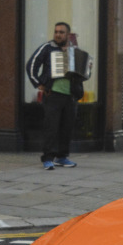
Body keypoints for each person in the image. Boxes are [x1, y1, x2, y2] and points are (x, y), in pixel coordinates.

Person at [26, 21, 85, 170]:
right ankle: (48, 158)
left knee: (67, 127)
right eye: (56, 32)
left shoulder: (74, 50)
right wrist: (37, 83)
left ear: (67, 35)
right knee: (51, 128)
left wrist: (86, 70)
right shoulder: (47, 48)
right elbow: (31, 65)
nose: (58, 35)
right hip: (53, 94)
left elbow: (82, 73)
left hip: (70, 95)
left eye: (61, 32)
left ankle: (62, 157)